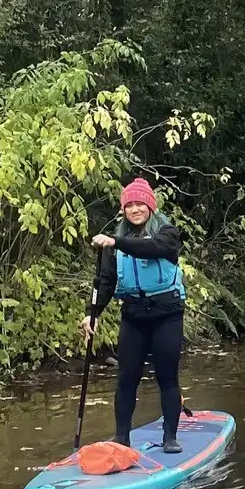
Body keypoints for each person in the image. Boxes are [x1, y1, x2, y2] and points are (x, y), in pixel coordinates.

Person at [83, 178, 187, 452]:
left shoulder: (167, 233)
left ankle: (170, 437)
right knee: (127, 377)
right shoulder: (114, 243)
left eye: (140, 204)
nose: (135, 209)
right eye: (129, 205)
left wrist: (115, 241)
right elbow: (105, 281)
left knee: (167, 376)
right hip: (134, 314)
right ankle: (122, 438)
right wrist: (91, 314)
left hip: (167, 313)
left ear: (150, 206)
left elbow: (152, 248)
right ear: (124, 210)